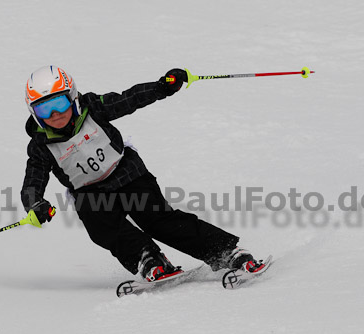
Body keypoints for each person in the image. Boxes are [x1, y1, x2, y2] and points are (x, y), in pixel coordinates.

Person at [20, 65, 268, 282]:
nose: (55, 115)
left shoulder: (93, 108)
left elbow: (129, 99)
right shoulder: (41, 146)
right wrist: (35, 204)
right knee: (103, 228)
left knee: (158, 220)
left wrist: (163, 87)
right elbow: (33, 180)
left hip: (128, 174)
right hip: (90, 192)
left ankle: (225, 252)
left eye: (59, 103)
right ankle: (147, 259)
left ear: (73, 97)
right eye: (44, 109)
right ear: (34, 112)